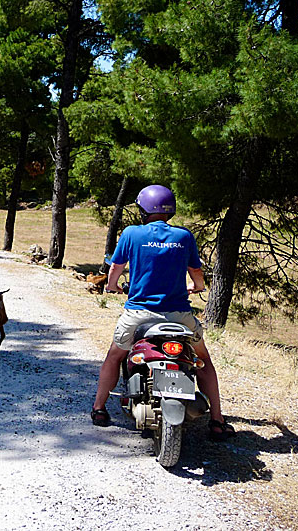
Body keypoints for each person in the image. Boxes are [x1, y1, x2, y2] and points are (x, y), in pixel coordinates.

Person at [90, 184, 235, 441]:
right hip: (179, 315)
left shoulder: (131, 233)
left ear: (144, 209)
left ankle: (99, 408)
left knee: (114, 357)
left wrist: (113, 287)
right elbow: (197, 275)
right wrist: (197, 287)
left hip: (139, 314)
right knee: (203, 362)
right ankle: (217, 420)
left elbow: (115, 270)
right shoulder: (184, 236)